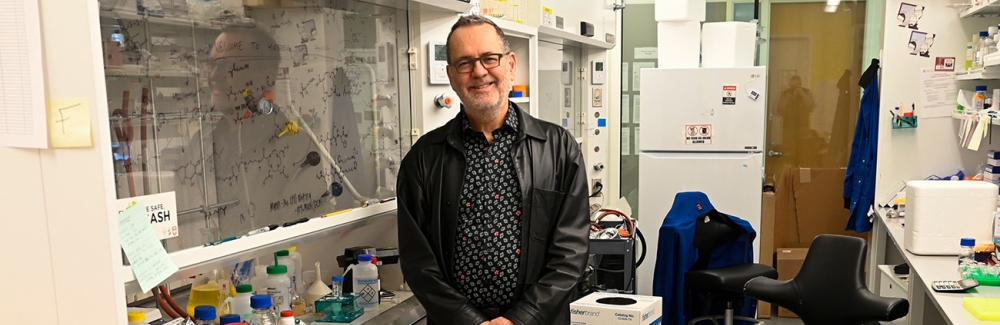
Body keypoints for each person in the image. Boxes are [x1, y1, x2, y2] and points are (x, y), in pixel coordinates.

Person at [396, 14, 590, 325]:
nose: (479, 71)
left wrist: (521, 319)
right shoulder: (423, 159)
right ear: (450, 74)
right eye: (464, 62)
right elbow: (418, 262)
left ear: (511, 64)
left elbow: (571, 253)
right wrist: (469, 320)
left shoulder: (558, 148)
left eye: (489, 58)